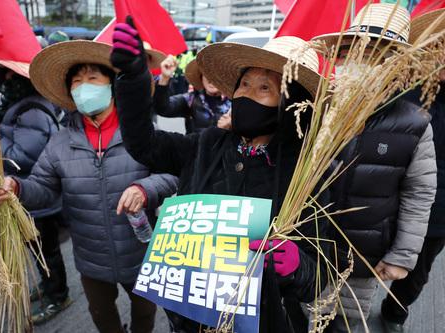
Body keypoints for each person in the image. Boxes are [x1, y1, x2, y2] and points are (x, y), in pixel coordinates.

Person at [110, 17, 328, 333]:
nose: (247, 94)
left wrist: (298, 267)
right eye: (244, 84)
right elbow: (144, 144)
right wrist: (133, 79)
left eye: (265, 87)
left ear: (291, 104)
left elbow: (322, 271)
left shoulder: (304, 173)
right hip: (189, 320)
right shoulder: (207, 144)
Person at [0, 40, 178, 333]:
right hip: (91, 257)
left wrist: (145, 189)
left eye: (93, 78)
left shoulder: (142, 133)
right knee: (102, 314)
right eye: (76, 82)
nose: (83, 87)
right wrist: (16, 188)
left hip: (140, 252)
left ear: (112, 84)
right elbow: (43, 188)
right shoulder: (60, 142)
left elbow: (171, 174)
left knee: (145, 312)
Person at [311, 4, 437, 332]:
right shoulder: (316, 107)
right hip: (306, 245)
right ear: (340, 57)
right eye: (357, 52)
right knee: (299, 317)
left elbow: (419, 192)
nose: (365, 63)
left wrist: (402, 256)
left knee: (344, 322)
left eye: (380, 56)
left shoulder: (414, 123)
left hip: (362, 255)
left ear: (398, 66)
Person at [379, 9, 445, 333]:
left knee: (418, 273)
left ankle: (394, 312)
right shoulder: (405, 89)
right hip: (393, 194)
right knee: (370, 258)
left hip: (440, 209)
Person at [0, 54, 70, 325]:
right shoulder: (17, 106)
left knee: (46, 250)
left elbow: (24, 156)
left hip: (39, 195)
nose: (6, 79)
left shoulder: (32, 110)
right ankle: (49, 286)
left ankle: (58, 295)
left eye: (11, 74)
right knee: (39, 249)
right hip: (26, 193)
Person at [154, 57, 231, 134]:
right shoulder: (190, 99)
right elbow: (163, 108)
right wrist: (164, 78)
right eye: (207, 74)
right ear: (201, 77)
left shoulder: (234, 103)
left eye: (216, 75)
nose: (211, 80)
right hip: (195, 145)